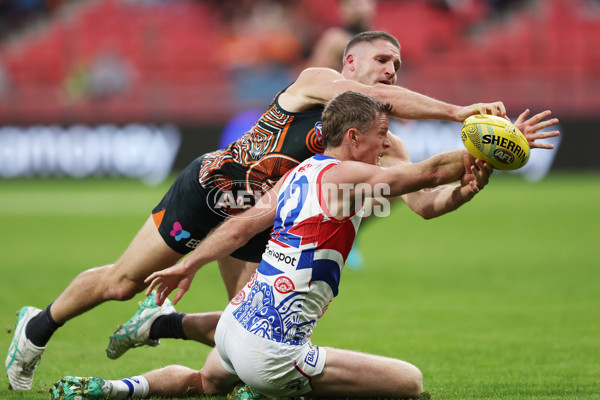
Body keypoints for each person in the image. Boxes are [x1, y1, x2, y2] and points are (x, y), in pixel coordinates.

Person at [6, 31, 558, 392]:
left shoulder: (385, 143)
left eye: (398, 62)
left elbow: (425, 204)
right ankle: (38, 327)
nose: (391, 69)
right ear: (351, 61)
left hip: (264, 224)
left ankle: (160, 333)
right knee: (123, 282)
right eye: (383, 60)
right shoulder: (319, 82)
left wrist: (468, 186)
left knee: (244, 332)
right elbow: (385, 105)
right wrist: (459, 111)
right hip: (213, 192)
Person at [50, 90, 495, 400]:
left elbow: (237, 228)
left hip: (234, 329)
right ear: (353, 138)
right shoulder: (345, 176)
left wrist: (188, 265)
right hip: (273, 353)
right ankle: (267, 391)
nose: (388, 144)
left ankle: (115, 388)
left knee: (203, 383)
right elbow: (428, 172)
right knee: (410, 382)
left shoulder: (299, 173)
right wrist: (496, 141)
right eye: (382, 134)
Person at [307, 0, 377, 71]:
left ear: (372, 5)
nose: (357, 10)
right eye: (351, 5)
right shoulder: (335, 39)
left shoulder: (380, 37)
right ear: (341, 9)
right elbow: (315, 75)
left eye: (360, 4)